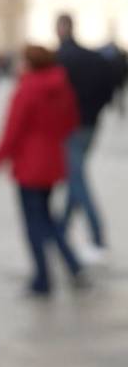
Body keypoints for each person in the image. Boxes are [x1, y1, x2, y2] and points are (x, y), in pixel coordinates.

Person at [0, 46, 89, 296]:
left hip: (30, 164)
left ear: (29, 64)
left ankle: (42, 278)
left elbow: (12, 133)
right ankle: (73, 266)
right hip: (52, 160)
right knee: (48, 218)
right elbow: (71, 122)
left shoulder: (27, 89)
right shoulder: (62, 87)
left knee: (34, 224)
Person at [55, 14, 117, 264]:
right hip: (91, 124)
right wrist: (95, 110)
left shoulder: (62, 58)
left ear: (62, 28)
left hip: (73, 126)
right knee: (76, 175)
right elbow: (110, 88)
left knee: (76, 179)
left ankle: (97, 235)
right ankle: (60, 229)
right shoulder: (93, 57)